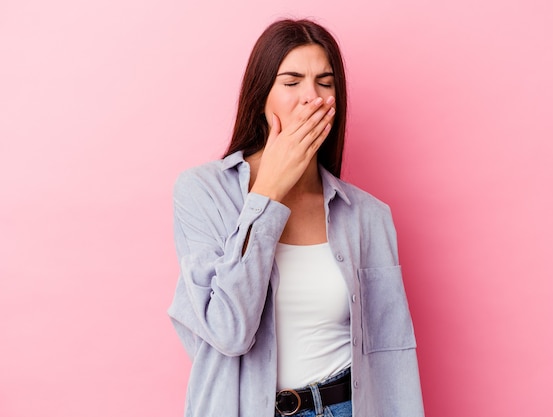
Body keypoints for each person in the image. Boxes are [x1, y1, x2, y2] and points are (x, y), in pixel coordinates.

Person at [168, 18, 425, 417]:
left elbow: (392, 355)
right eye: (291, 82)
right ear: (261, 96)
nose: (313, 97)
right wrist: (267, 192)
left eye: (325, 82)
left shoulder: (368, 216)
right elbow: (227, 330)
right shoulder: (202, 192)